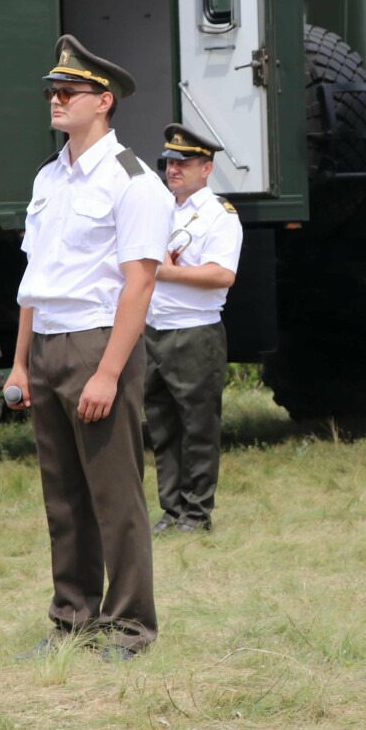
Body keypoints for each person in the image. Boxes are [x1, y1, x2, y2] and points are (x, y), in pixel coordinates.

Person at [4, 35, 173, 661]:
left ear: (103, 101)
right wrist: (21, 361)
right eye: (51, 90)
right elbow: (33, 279)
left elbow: (141, 283)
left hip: (98, 343)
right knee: (64, 497)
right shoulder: (49, 177)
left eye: (67, 91)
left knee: (115, 495)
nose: (55, 99)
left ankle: (130, 627)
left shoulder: (134, 181)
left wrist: (107, 373)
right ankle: (71, 618)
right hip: (48, 342)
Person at [145, 124, 242, 535]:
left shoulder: (219, 216)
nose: (173, 169)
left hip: (194, 331)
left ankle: (197, 513)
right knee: (162, 426)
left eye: (184, 163)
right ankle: (172, 509)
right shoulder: (159, 209)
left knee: (198, 427)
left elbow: (222, 275)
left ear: (207, 168)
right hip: (155, 328)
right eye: (170, 162)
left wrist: (165, 271)